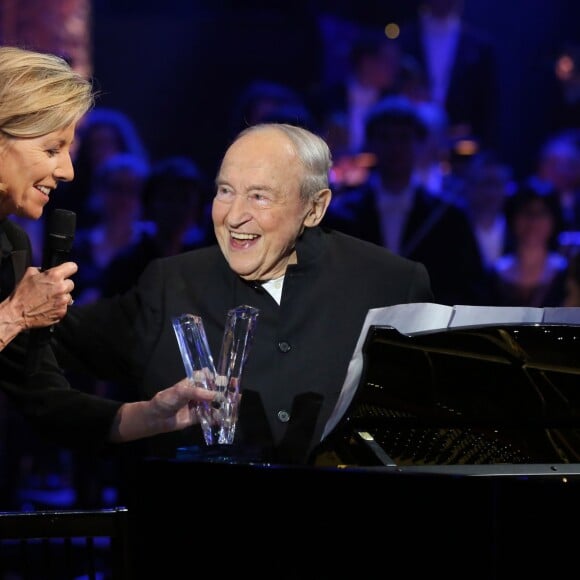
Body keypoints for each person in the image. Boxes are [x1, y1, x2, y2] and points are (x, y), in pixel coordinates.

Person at [53, 122, 434, 467]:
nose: (234, 216)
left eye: (259, 196)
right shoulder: (171, 284)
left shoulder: (391, 284)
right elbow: (49, 342)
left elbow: (431, 436)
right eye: (225, 191)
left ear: (315, 208)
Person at [0, 46, 220, 466]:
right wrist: (15, 315)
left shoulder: (11, 245)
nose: (68, 171)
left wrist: (153, 414)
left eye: (69, 150)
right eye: (51, 149)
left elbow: (44, 398)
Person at [323, 94, 489, 306]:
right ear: (371, 145)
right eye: (385, 138)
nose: (395, 148)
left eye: (403, 138)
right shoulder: (341, 216)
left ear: (419, 145)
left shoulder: (448, 218)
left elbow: (469, 289)